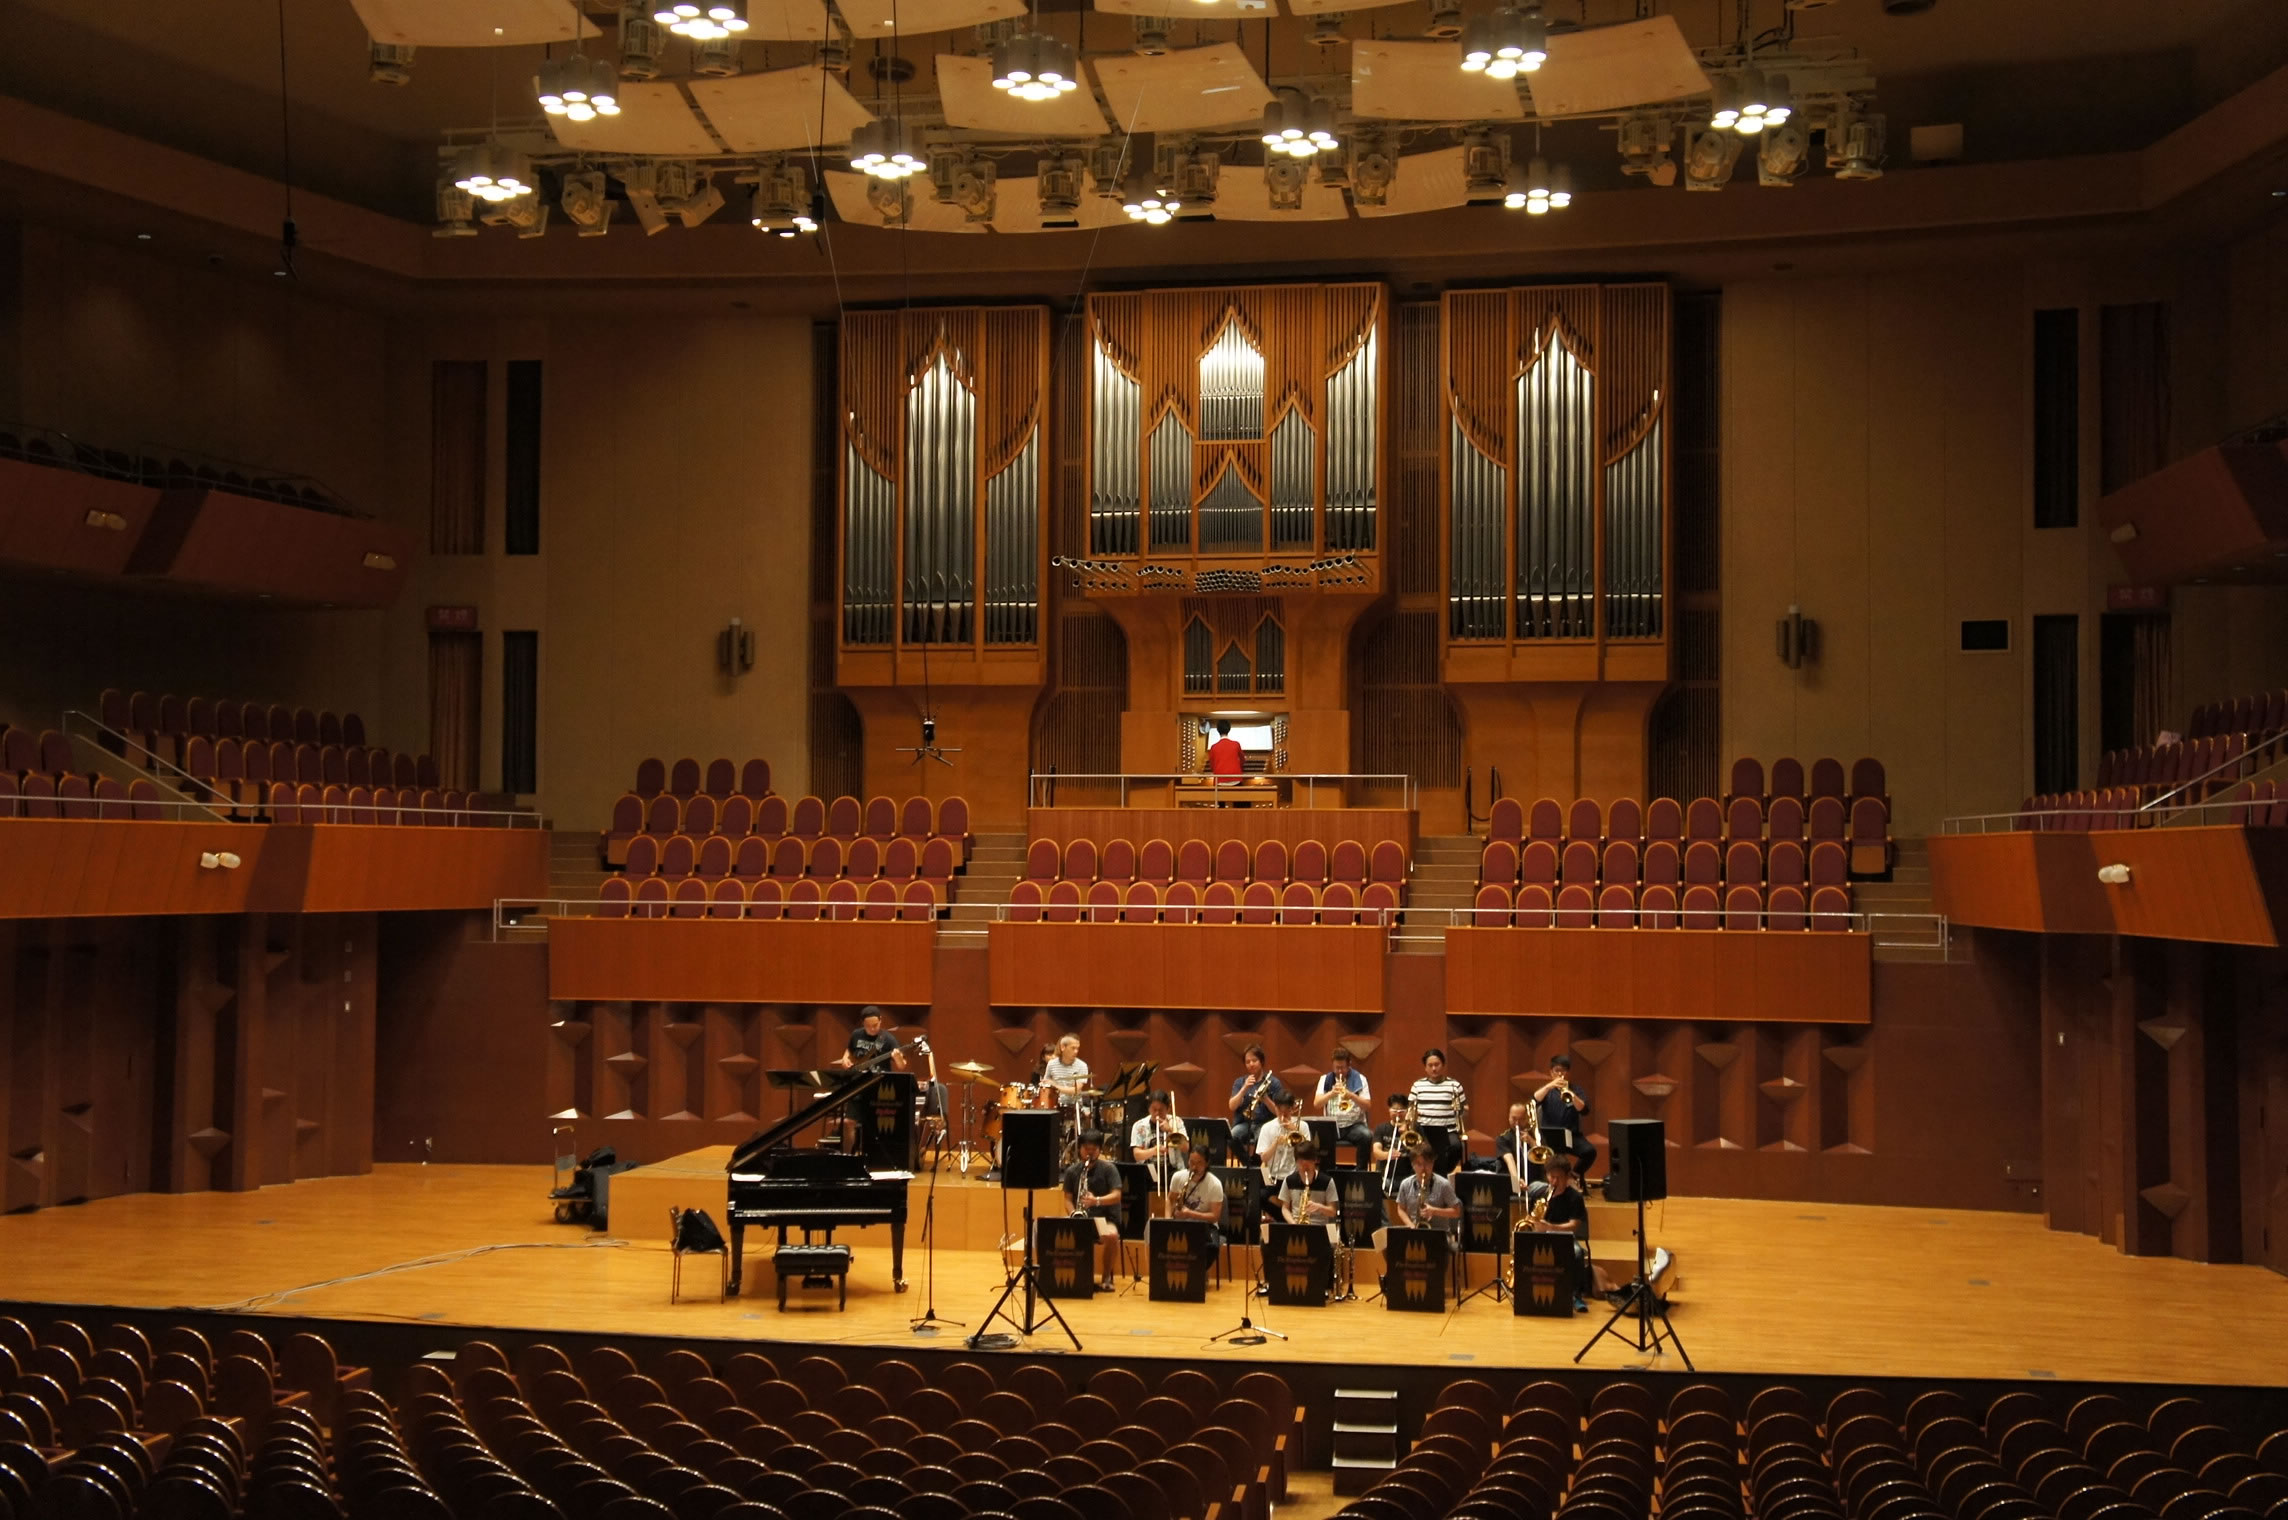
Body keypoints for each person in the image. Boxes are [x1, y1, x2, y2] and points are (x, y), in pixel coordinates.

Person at [1528, 1153, 1596, 1311]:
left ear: (1567, 1177)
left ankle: (1576, 1295)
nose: (1554, 1181)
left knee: (1577, 1253)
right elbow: (1532, 1217)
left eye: (1558, 1178)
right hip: (1541, 1236)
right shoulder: (1540, 1194)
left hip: (1565, 1237)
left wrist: (1550, 1228)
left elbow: (1574, 1225)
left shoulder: (1575, 1197)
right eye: (1551, 1177)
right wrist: (1533, 1223)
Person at [1062, 1130, 1125, 1289]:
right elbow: (1067, 1199)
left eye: (1093, 1149)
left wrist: (1096, 1201)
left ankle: (1106, 1278)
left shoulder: (1109, 1169)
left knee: (1112, 1236)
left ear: (1100, 1150)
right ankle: (1071, 1277)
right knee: (1056, 1230)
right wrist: (1073, 1213)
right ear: (1079, 1149)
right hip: (1080, 1218)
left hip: (1104, 1219)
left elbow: (1117, 1196)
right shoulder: (1072, 1171)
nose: (1089, 1153)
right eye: (1086, 1149)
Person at [1377, 1143, 1460, 1253]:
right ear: (1413, 1165)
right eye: (1419, 1164)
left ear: (1433, 1163)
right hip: (1414, 1232)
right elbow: (1400, 1209)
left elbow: (1457, 1212)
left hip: (1440, 1234)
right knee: (1391, 1246)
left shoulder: (1443, 1184)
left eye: (1427, 1163)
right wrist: (1411, 1226)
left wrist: (1434, 1211)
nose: (1423, 1168)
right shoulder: (1405, 1184)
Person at [1532, 1054, 1597, 1179]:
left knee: (1590, 1152)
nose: (1560, 1074)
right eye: (1557, 1070)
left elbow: (1584, 1110)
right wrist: (1549, 1086)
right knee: (1551, 1159)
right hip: (1550, 1137)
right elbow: (1533, 1101)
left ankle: (1573, 1175)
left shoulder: (1576, 1089)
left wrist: (1571, 1095)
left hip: (1572, 1135)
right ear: (1551, 1072)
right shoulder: (1547, 1090)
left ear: (1568, 1073)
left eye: (1564, 1071)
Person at [1408, 1048, 1468, 1174]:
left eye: (1437, 1064)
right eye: (1430, 1065)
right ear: (1425, 1067)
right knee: (1414, 1148)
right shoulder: (1417, 1086)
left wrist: (1460, 1114)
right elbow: (1410, 1109)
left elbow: (1465, 1108)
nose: (1434, 1068)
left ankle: (1442, 1173)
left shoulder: (1455, 1085)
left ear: (1443, 1064)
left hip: (1448, 1130)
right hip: (1424, 1130)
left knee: (1456, 1147)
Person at [1226, 1045, 1288, 1157]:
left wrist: (1266, 1099)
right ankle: (1246, 1162)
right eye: (1247, 1062)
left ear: (1261, 1061)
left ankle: (1256, 1163)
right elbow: (1232, 1106)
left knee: (1262, 1139)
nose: (1251, 1064)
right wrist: (1244, 1088)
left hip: (1265, 1123)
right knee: (1232, 1136)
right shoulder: (1240, 1082)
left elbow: (1279, 1112)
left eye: (1254, 1060)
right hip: (1245, 1123)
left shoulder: (1273, 1082)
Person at [1314, 1047, 1373, 1160]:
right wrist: (1331, 1093)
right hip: (1332, 1125)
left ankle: (1361, 1169)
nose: (1340, 1071)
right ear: (1332, 1065)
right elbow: (1317, 1104)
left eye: (1343, 1068)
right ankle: (1328, 1169)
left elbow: (1367, 1105)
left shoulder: (1360, 1079)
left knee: (1366, 1136)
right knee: (1318, 1138)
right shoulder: (1325, 1079)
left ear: (1349, 1064)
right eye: (1337, 1068)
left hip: (1354, 1125)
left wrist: (1351, 1095)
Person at [1278, 1140, 1341, 1245]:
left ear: (1315, 1161)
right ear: (1296, 1162)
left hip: (1320, 1230)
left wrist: (1319, 1207)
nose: (1304, 1168)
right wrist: (1293, 1223)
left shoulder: (1327, 1181)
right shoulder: (1289, 1180)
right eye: (1301, 1164)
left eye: (1307, 1164)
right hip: (1296, 1228)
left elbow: (1333, 1211)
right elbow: (1285, 1208)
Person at [1167, 1141, 1227, 1249]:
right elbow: (1170, 1199)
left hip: (1206, 1226)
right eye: (1191, 1162)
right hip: (1181, 1223)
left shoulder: (1215, 1184)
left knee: (1211, 1248)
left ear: (1207, 1163)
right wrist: (1167, 1221)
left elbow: (1214, 1217)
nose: (1194, 1167)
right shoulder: (1178, 1177)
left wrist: (1190, 1214)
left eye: (1199, 1163)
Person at [1128, 1092, 1187, 1195]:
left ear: (1168, 1109)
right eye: (1154, 1109)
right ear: (1149, 1108)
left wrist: (1171, 1131)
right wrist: (1154, 1151)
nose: (1157, 1113)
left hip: (1173, 1168)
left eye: (1161, 1110)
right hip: (1148, 1169)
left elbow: (1185, 1148)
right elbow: (1137, 1155)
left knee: (1181, 1178)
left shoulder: (1177, 1122)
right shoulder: (1139, 1125)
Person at [1255, 1091, 1309, 1191]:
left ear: (1293, 1108)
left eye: (1287, 1109)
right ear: (1275, 1107)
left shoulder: (1303, 1126)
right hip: (1273, 1177)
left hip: (1295, 1176)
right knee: (1264, 1195)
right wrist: (1275, 1143)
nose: (1283, 1113)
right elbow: (1264, 1158)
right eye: (1279, 1109)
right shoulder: (1267, 1127)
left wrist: (1295, 1131)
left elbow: (1307, 1154)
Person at [834, 1007, 907, 1072]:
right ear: (863, 1023)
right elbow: (849, 1050)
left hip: (879, 1078)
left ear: (880, 1020)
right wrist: (845, 1059)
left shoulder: (888, 1039)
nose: (872, 1029)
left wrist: (898, 1058)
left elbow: (902, 1066)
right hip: (859, 1077)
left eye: (875, 1025)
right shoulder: (856, 1034)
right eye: (868, 1026)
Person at [1495, 1101, 1540, 1187]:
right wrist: (1516, 1179)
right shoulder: (1503, 1138)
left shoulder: (1535, 1136)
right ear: (1509, 1118)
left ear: (1526, 1119)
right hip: (1511, 1184)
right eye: (1514, 1119)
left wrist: (1532, 1142)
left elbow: (1545, 1160)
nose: (1517, 1123)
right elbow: (1510, 1160)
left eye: (1521, 1119)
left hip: (1535, 1182)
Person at [1042, 1034, 1090, 1108]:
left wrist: (1055, 1086)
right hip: (1054, 1105)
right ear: (1063, 1047)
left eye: (1077, 1048)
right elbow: (1046, 1084)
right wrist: (1044, 1084)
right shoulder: (1051, 1064)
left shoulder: (1082, 1066)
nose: (1076, 1051)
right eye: (1073, 1048)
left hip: (1073, 1106)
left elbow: (1075, 1090)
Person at [1206, 719, 1244, 783]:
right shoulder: (1236, 744)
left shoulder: (1213, 747)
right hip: (1236, 780)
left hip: (1220, 781)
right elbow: (1242, 760)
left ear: (1218, 730)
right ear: (1229, 729)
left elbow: (1212, 766)